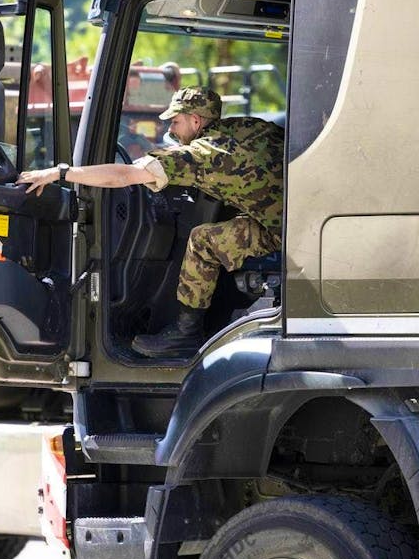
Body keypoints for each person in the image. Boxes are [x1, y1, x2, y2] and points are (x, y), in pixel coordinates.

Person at [18, 87, 284, 358]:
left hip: (283, 233)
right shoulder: (248, 127)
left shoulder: (203, 156)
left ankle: (185, 333)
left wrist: (60, 172)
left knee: (202, 241)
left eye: (176, 121)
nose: (171, 127)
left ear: (195, 120)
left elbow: (123, 176)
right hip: (299, 218)